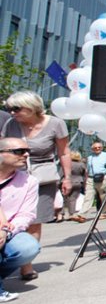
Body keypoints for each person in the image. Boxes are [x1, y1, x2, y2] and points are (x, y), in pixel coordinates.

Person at [1, 91, 70, 281]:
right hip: (14, 176)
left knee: (34, 220)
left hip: (42, 177)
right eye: (9, 109)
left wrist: (67, 178)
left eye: (16, 109)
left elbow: (64, 152)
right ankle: (12, 253)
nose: (12, 112)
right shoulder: (10, 124)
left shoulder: (56, 123)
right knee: (8, 217)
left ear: (32, 108)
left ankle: (26, 265)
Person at [0, 138, 41, 302]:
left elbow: (27, 214)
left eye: (27, 151)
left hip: (9, 230)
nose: (25, 155)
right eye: (19, 151)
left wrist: (5, 232)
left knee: (28, 248)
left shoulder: (29, 181)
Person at [78, 142, 106, 220]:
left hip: (103, 177)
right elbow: (87, 169)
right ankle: (82, 214)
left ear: (102, 148)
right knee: (88, 196)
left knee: (103, 196)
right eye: (95, 148)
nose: (97, 149)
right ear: (92, 149)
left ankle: (105, 213)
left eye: (99, 147)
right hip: (91, 178)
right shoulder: (90, 157)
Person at [65, 151, 86, 222]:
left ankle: (71, 213)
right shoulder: (82, 164)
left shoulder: (68, 164)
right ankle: (72, 213)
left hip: (69, 182)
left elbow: (62, 172)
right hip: (79, 182)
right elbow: (84, 174)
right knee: (73, 198)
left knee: (68, 198)